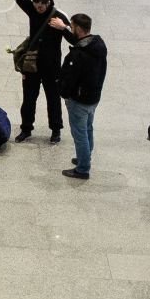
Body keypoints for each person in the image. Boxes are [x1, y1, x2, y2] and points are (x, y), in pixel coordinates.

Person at [11, 0, 65, 145]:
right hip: (32, 64)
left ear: (48, 3)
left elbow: (74, 38)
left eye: (42, 6)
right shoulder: (32, 11)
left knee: (53, 99)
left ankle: (56, 130)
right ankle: (26, 128)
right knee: (29, 98)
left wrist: (63, 28)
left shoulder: (58, 17)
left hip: (52, 66)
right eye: (36, 5)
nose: (39, 9)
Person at [56, 13, 106, 180]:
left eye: (71, 26)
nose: (71, 28)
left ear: (78, 28)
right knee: (88, 128)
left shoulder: (78, 56)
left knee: (80, 135)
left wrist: (63, 93)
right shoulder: (98, 44)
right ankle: (85, 156)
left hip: (79, 99)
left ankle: (83, 168)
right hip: (94, 96)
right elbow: (79, 43)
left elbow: (70, 79)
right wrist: (64, 29)